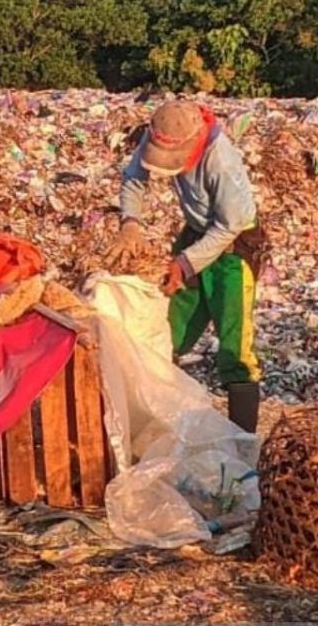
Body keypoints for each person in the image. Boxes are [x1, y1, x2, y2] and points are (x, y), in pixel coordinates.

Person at [105, 100, 267, 433]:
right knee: (169, 332)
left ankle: (243, 442)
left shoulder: (219, 160)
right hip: (195, 233)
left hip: (234, 248)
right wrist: (130, 223)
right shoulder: (160, 135)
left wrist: (184, 263)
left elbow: (229, 226)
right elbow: (134, 179)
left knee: (236, 348)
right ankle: (157, 424)